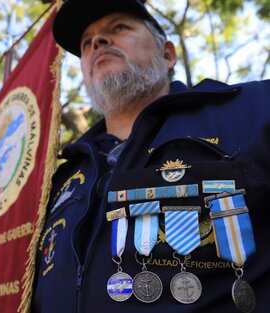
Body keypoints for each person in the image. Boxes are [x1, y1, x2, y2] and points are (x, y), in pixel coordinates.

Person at [32, 0, 270, 312]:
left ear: (167, 54)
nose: (97, 42)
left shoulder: (254, 107)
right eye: (87, 43)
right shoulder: (58, 177)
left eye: (118, 27)